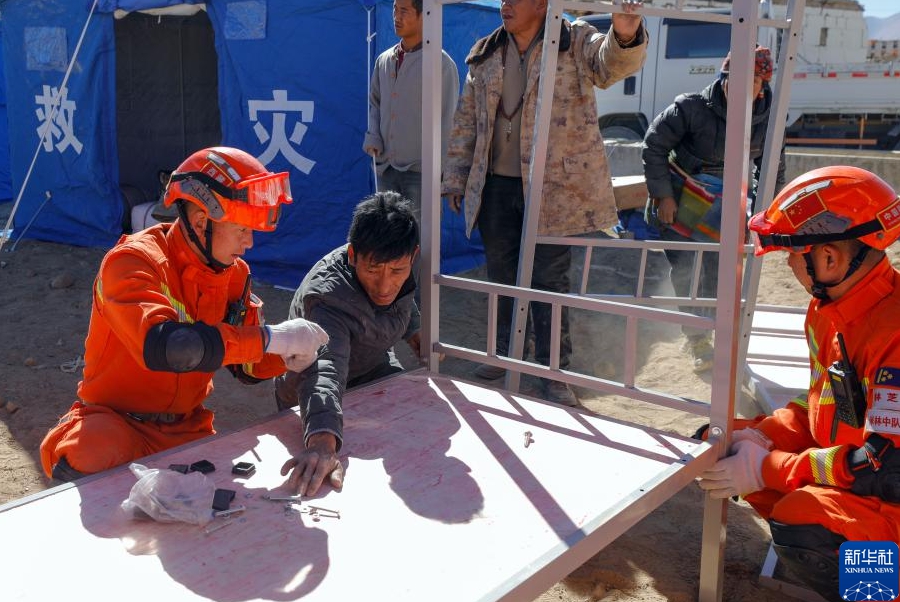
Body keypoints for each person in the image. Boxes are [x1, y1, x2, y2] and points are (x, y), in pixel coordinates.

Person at [39, 146, 329, 481]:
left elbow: (249, 367)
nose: (249, 242)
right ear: (201, 221)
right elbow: (171, 346)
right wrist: (269, 338)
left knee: (221, 493)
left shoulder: (233, 274)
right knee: (91, 450)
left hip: (186, 427)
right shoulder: (133, 262)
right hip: (115, 421)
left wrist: (291, 349)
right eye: (241, 230)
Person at [698, 166, 900, 601]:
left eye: (792, 254)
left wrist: (766, 466)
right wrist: (758, 435)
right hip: (867, 483)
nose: (789, 264)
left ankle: (882, 592)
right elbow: (822, 407)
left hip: (888, 494)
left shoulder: (894, 332)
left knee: (804, 518)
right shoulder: (829, 314)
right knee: (746, 454)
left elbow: (884, 470)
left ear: (829, 259)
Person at [442, 0, 647, 406]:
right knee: (500, 276)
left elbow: (611, 66)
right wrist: (455, 178)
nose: (505, 5)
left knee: (549, 282)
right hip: (496, 186)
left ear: (541, 4)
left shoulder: (573, 40)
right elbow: (466, 119)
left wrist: (624, 33)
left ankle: (554, 370)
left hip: (554, 189)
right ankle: (501, 355)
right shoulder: (486, 52)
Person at [642, 45, 786, 373]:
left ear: (762, 86)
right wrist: (664, 196)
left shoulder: (769, 119)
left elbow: (772, 168)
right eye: (731, 78)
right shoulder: (690, 108)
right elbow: (654, 145)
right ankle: (697, 340)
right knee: (688, 271)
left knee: (721, 273)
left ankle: (720, 335)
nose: (736, 87)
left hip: (727, 204)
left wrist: (768, 216)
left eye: (748, 81)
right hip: (680, 202)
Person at [274, 191, 421, 497]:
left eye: (397, 271)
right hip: (310, 388)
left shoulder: (399, 265)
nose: (385, 286)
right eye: (372, 270)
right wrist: (322, 445)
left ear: (413, 257)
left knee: (417, 428)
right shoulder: (327, 296)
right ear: (353, 256)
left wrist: (420, 341)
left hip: (374, 367)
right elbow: (324, 369)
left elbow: (404, 304)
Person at [363, 0, 459, 235]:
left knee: (418, 240)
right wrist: (373, 135)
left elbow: (448, 119)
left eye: (404, 11)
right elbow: (375, 102)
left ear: (424, 15)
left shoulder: (440, 63)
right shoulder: (384, 60)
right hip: (386, 168)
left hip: (422, 173)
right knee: (386, 238)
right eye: (395, 9)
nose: (396, 16)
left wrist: (443, 174)